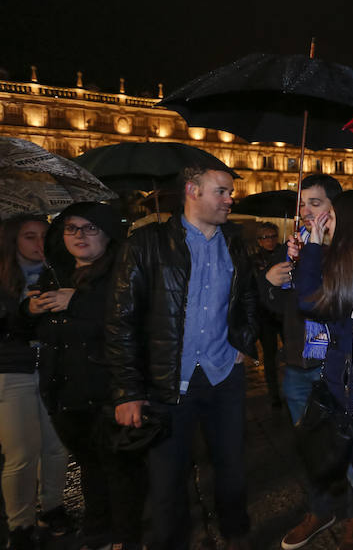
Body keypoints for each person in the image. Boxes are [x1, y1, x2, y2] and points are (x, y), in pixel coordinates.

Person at [107, 164, 259, 550]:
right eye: (221, 192)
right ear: (192, 190)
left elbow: (246, 300)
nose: (230, 199)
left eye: (230, 193)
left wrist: (244, 342)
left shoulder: (237, 242)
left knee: (233, 468)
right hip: (167, 378)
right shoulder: (145, 244)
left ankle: (236, 533)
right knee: (166, 479)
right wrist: (127, 391)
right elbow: (120, 320)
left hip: (224, 375)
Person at [278, 189, 353, 550]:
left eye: (327, 213)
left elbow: (310, 299)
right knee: (346, 454)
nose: (321, 220)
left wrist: (313, 245)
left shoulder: (350, 264)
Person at [33, 203, 144, 549]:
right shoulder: (54, 275)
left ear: (108, 234)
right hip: (67, 392)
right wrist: (28, 309)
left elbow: (133, 319)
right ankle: (97, 530)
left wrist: (78, 302)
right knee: (89, 467)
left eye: (89, 228)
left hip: (109, 389)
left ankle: (126, 537)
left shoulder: (124, 273)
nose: (79, 235)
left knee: (120, 470)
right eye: (71, 228)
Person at [0, 215, 70, 550]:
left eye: (45, 235)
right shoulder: (3, 278)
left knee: (56, 446)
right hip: (12, 372)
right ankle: (21, 525)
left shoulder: (57, 273)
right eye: (30, 237)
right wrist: (24, 312)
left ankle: (53, 506)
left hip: (54, 369)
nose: (40, 244)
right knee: (22, 452)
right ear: (14, 240)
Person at [262, 174, 343, 425]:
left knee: (339, 446)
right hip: (297, 364)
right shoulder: (290, 249)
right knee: (306, 447)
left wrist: (315, 258)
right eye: (302, 204)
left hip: (333, 365)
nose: (306, 211)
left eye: (315, 203)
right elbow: (276, 308)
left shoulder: (346, 250)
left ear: (334, 207)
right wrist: (270, 283)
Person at [253, 221, 286, 407]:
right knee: (270, 355)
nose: (270, 241)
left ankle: (291, 387)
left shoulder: (286, 254)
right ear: (259, 241)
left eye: (273, 236)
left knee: (291, 352)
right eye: (266, 237)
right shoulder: (254, 260)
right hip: (266, 315)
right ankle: (274, 394)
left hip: (284, 313)